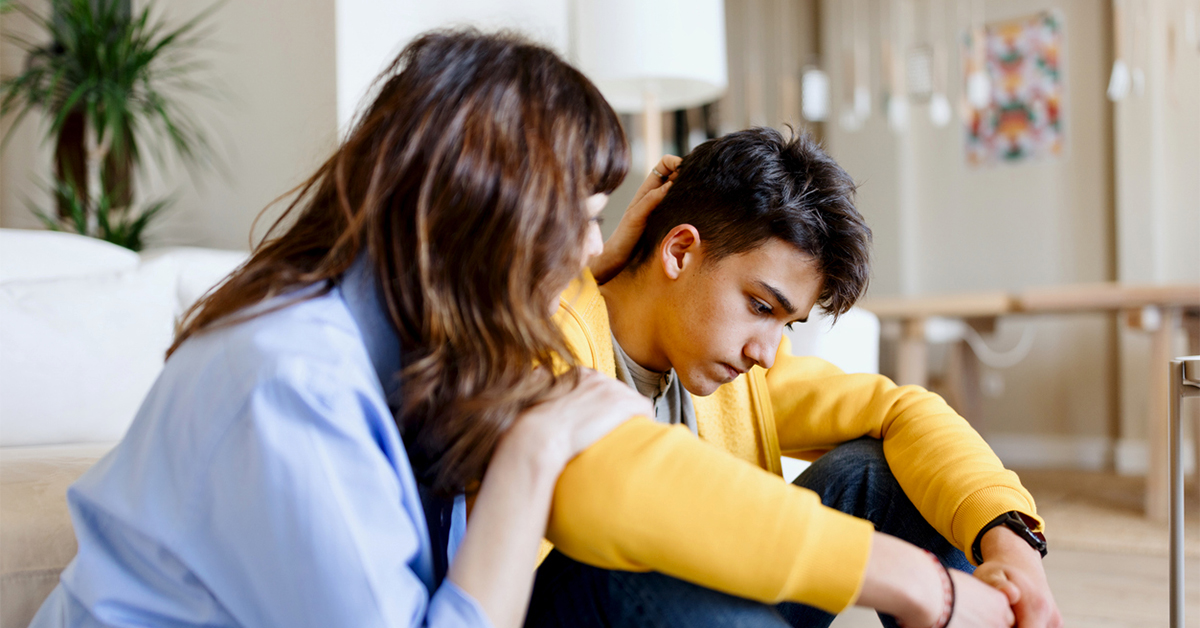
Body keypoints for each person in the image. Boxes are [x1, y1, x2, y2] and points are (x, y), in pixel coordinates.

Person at [28, 30, 665, 628]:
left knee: (637, 582)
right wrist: (534, 449)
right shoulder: (291, 379)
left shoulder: (420, 348)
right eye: (579, 220)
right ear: (485, 217)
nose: (589, 249)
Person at [527, 128, 1063, 628]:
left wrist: (1011, 541)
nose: (766, 352)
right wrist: (913, 580)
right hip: (573, 602)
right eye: (760, 305)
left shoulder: (738, 374)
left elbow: (902, 411)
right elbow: (617, 491)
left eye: (786, 321)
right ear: (680, 250)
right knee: (621, 563)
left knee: (877, 470)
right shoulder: (548, 338)